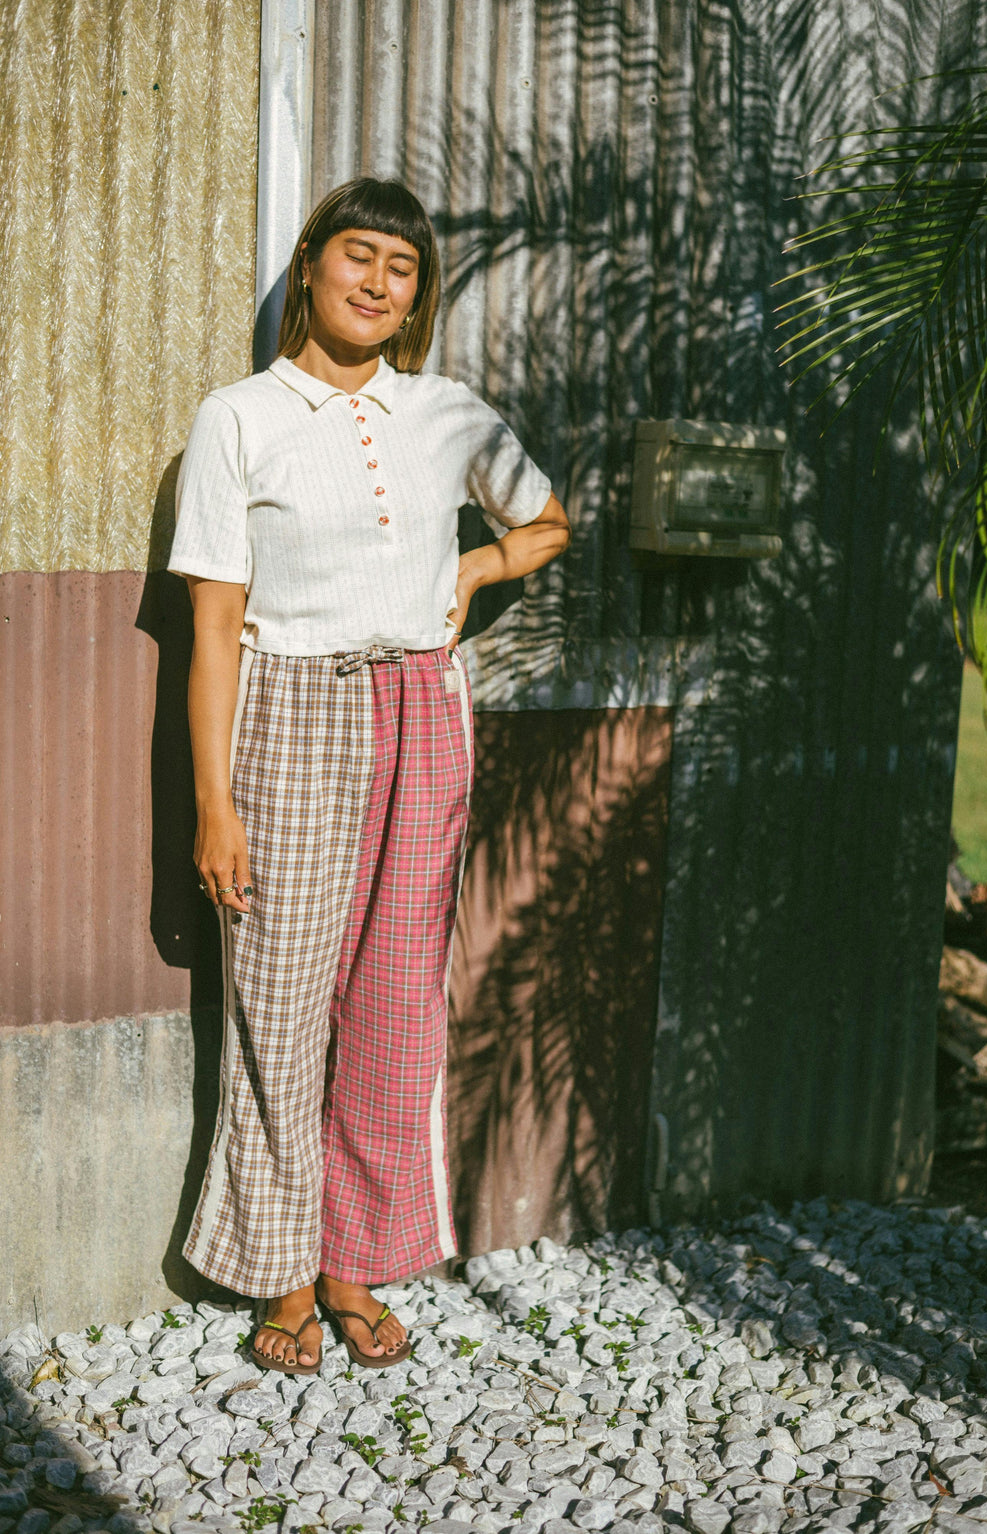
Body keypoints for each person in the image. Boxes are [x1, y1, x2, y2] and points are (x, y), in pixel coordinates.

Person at [168, 177, 570, 1374]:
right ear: (310, 267)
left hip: (421, 717)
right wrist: (213, 804)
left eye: (401, 266)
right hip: (290, 707)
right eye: (359, 256)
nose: (379, 281)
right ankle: (282, 1274)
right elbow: (211, 626)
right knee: (279, 1006)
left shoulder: (446, 412)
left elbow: (550, 520)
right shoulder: (240, 415)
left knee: (394, 1007)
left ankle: (356, 1260)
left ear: (416, 294)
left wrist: (475, 571)